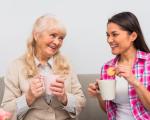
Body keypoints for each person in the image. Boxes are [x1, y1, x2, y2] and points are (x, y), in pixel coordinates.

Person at [2, 14, 86, 120]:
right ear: (36, 35)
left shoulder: (66, 64)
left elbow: (81, 101)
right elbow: (6, 111)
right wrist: (28, 97)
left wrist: (65, 98)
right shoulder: (15, 66)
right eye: (53, 35)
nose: (57, 42)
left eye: (61, 38)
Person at [88, 11, 150, 120]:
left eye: (114, 34)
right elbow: (108, 110)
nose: (109, 40)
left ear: (133, 36)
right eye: (108, 35)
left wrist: (134, 81)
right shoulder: (107, 67)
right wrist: (99, 94)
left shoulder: (148, 62)